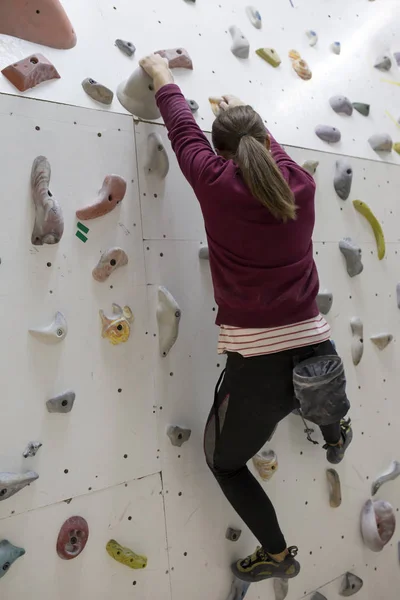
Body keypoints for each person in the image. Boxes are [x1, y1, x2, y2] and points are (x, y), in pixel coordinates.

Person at [139, 54, 353, 584]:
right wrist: (250, 118)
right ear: (264, 140)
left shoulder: (215, 182)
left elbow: (182, 131)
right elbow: (268, 154)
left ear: (222, 153)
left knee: (225, 462)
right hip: (317, 350)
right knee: (321, 398)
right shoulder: (300, 186)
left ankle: (278, 554)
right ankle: (333, 434)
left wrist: (162, 79)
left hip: (258, 371)